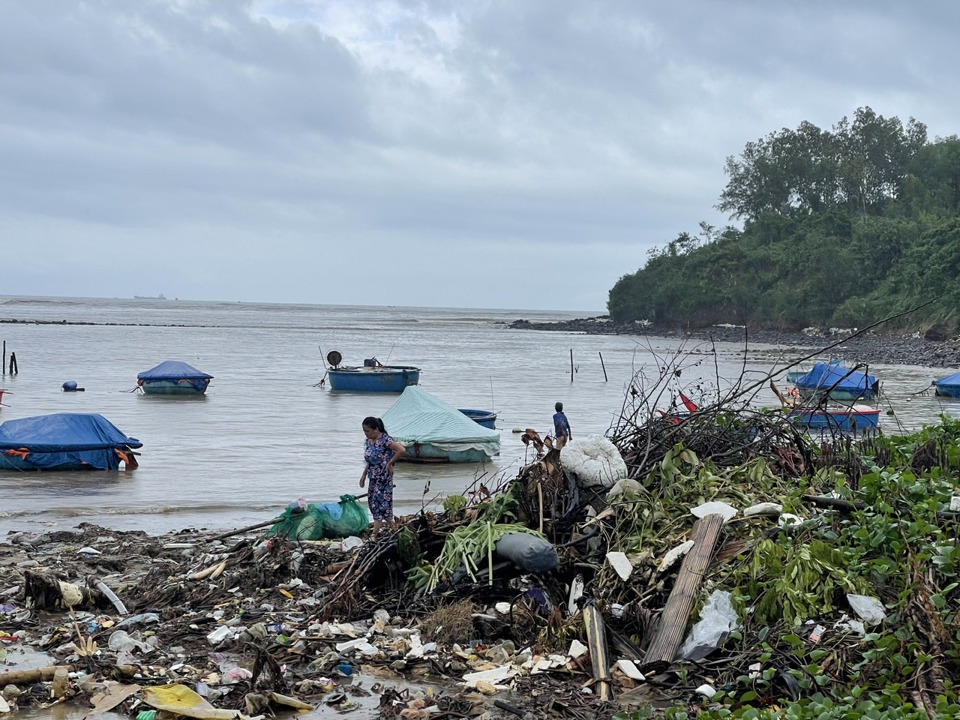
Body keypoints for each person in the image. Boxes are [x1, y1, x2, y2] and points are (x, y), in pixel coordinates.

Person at [359, 416, 405, 536]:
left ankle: (374, 533)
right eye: (364, 431)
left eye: (367, 431)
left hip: (384, 477)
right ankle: (394, 529)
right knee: (373, 502)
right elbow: (370, 461)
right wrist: (363, 475)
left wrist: (390, 463)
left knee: (379, 503)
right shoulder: (369, 442)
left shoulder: (386, 440)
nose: (366, 434)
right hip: (373, 477)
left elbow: (401, 450)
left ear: (376, 429)